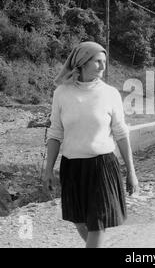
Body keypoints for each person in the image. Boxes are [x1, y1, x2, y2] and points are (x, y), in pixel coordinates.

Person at [43, 41, 139, 248]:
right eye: (97, 61)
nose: (103, 66)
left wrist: (131, 171)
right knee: (79, 221)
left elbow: (121, 134)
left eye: (104, 61)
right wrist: (48, 169)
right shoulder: (62, 93)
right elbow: (55, 133)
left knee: (97, 224)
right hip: (72, 167)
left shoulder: (110, 94)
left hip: (102, 166)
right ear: (82, 63)